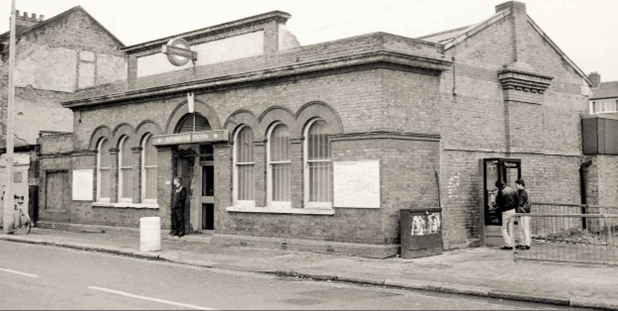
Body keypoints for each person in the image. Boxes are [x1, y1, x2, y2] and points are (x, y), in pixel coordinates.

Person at [492, 180, 518, 250]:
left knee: (503, 228)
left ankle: (508, 244)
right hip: (513, 210)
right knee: (511, 228)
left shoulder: (501, 192)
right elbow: (516, 200)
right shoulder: (511, 189)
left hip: (505, 211)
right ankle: (512, 243)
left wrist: (496, 195)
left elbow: (498, 202)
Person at [515, 179, 531, 250]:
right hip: (520, 213)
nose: (516, 186)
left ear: (520, 184)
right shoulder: (519, 192)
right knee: (521, 229)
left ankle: (527, 243)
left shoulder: (525, 192)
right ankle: (522, 243)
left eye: (516, 185)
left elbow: (528, 203)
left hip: (524, 213)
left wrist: (522, 210)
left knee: (525, 229)